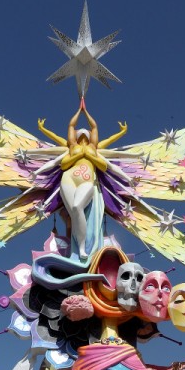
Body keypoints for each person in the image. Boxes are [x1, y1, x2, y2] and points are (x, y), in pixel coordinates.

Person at [33, 101, 129, 259]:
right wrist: (78, 111)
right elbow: (70, 127)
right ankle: (78, 248)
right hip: (68, 179)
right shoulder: (71, 146)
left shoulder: (94, 147)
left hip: (87, 181)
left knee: (77, 207)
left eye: (86, 132)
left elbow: (95, 128)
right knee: (73, 213)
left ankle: (83, 247)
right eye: (79, 132)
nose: (83, 132)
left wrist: (87, 112)